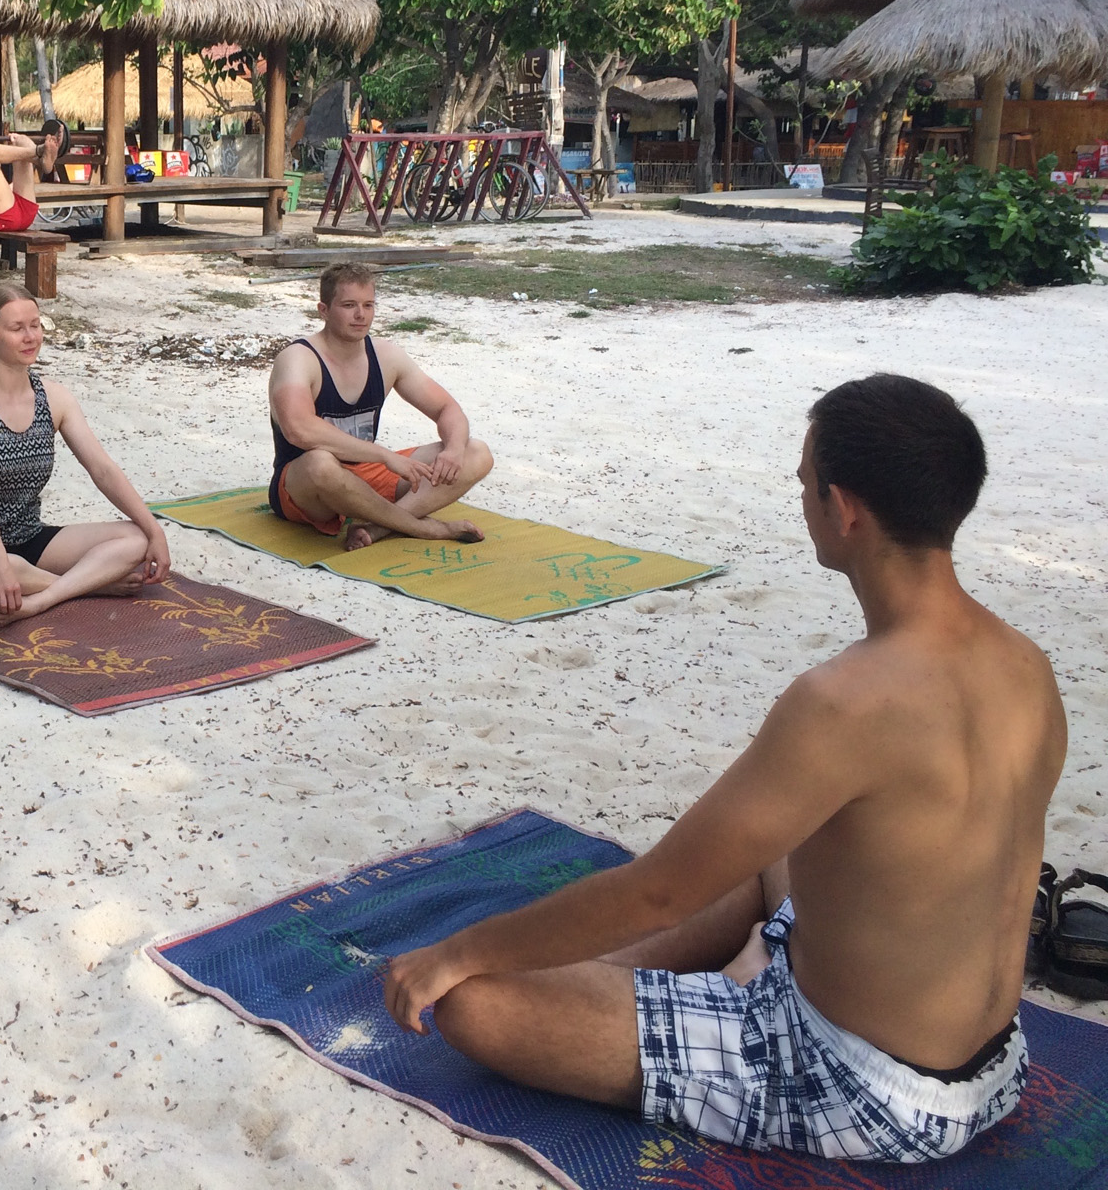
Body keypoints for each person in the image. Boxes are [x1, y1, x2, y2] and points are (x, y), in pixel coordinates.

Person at [382, 375, 1064, 1165]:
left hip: (862, 1081)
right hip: (992, 1065)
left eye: (805, 483)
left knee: (473, 1003)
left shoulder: (845, 702)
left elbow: (661, 891)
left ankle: (616, 979)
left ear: (843, 509)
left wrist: (459, 952)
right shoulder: (1027, 665)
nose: (802, 497)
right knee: (779, 842)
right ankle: (669, 970)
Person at [0, 281, 171, 625]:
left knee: (136, 538)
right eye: (16, 328)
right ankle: (89, 585)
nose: (30, 337)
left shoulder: (54, 397)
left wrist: (155, 530)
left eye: (35, 325)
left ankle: (42, 598)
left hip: (30, 536)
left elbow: (102, 468)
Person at [267, 262, 494, 550]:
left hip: (363, 475)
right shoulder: (298, 358)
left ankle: (378, 528)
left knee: (476, 451)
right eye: (349, 305)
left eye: (368, 305)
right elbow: (299, 429)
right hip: (304, 487)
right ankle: (425, 529)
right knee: (320, 462)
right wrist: (385, 456)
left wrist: (452, 450)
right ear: (323, 310)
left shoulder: (386, 356)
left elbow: (447, 408)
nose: (360, 315)